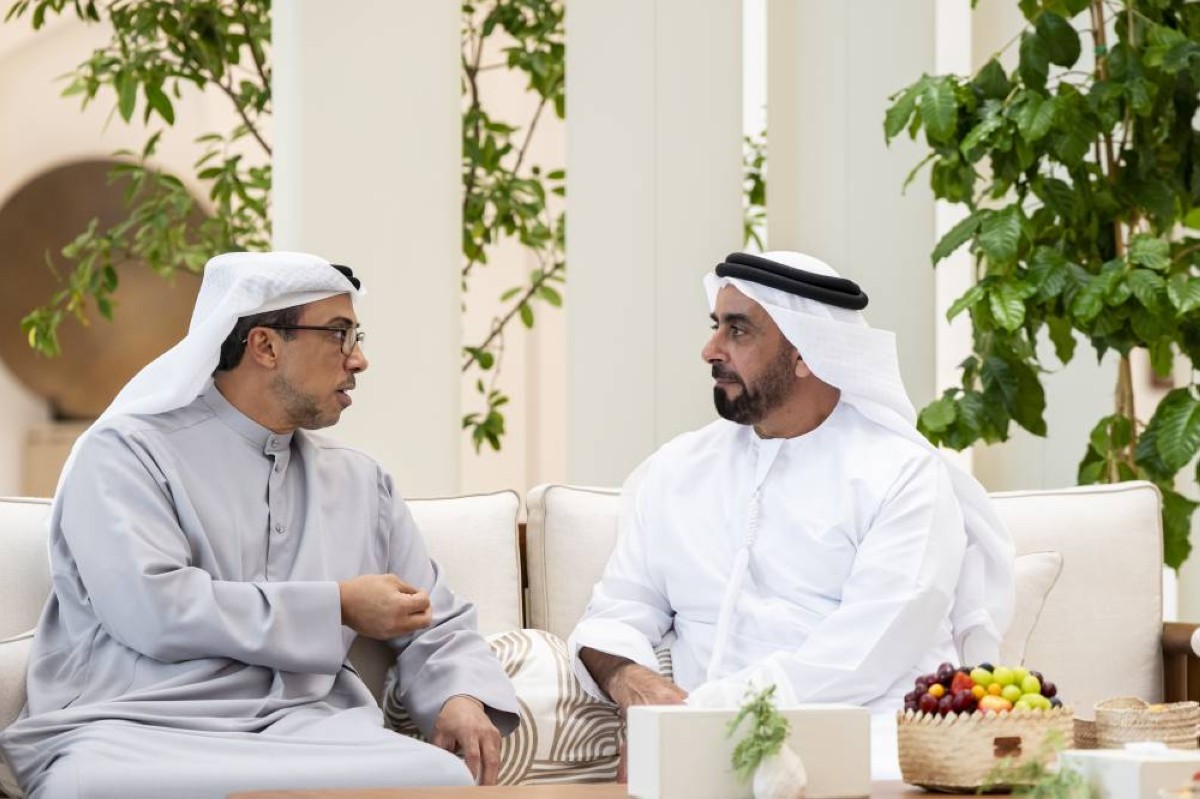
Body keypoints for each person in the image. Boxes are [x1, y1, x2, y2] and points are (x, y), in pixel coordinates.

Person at [0, 252, 519, 799]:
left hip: (315, 734)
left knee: (439, 780)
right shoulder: (124, 454)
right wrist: (337, 605)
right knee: (96, 789)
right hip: (137, 729)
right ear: (266, 345)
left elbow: (432, 620)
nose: (359, 359)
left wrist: (460, 695)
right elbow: (155, 611)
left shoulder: (361, 482)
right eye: (339, 335)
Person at [569, 250, 1014, 719]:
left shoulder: (903, 476)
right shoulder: (679, 469)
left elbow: (863, 657)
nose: (710, 350)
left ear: (806, 352)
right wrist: (630, 681)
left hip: (861, 751)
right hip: (700, 753)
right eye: (715, 325)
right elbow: (616, 611)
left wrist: (697, 717)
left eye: (736, 330)